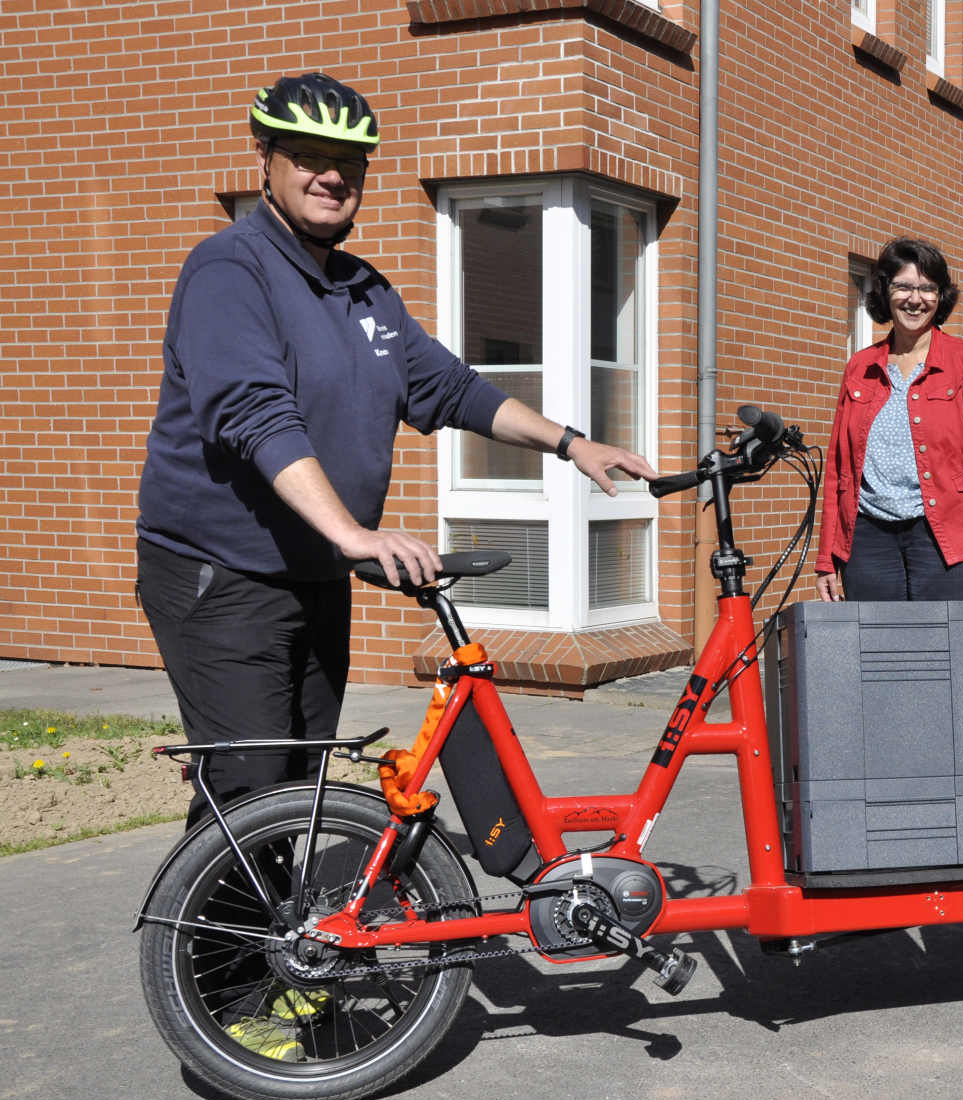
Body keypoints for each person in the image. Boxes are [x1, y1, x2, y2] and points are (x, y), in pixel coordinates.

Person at [136, 74, 656, 825]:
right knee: (250, 791)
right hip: (222, 575)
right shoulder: (229, 270)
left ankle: (293, 938)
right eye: (310, 155)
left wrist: (571, 444)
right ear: (266, 159)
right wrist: (352, 531)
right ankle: (212, 945)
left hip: (314, 571)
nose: (332, 175)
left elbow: (453, 390)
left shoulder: (363, 289)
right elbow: (254, 414)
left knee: (302, 783)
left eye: (350, 160)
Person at [814, 238, 963, 603]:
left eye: (928, 288)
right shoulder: (859, 367)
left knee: (944, 652)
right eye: (904, 286)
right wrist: (826, 560)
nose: (915, 299)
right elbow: (839, 470)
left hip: (947, 537)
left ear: (941, 297)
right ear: (884, 290)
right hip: (867, 539)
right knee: (878, 653)